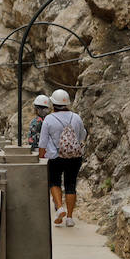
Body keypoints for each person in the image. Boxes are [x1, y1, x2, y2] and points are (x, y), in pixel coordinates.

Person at [38, 88, 86, 227]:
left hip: (55, 157)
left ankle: (59, 208)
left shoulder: (49, 119)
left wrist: (41, 157)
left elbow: (43, 142)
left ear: (53, 104)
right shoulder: (76, 117)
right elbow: (82, 136)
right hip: (74, 157)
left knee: (54, 182)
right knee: (71, 185)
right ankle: (70, 218)